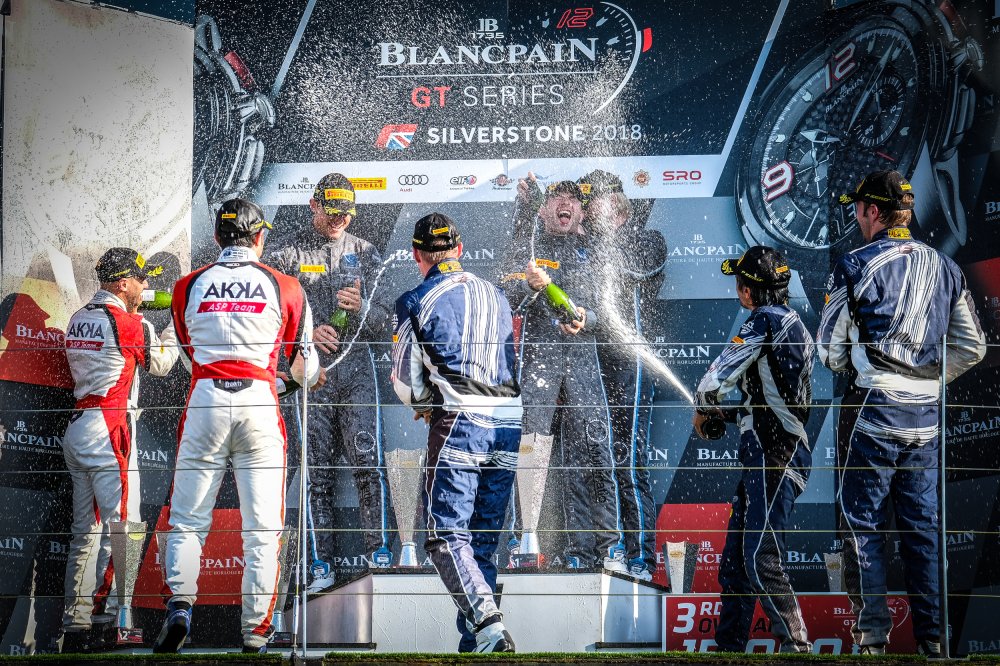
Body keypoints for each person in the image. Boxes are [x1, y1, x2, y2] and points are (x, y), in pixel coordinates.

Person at [817, 170, 986, 656]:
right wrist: (928, 380)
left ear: (873, 211)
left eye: (858, 208)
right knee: (922, 529)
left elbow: (828, 348)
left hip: (876, 407)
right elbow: (973, 347)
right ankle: (933, 640)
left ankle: (873, 636)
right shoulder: (946, 266)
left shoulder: (853, 264)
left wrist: (862, 368)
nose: (856, 216)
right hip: (926, 416)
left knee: (863, 521)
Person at [155, 199, 323, 654]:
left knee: (187, 520)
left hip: (205, 400)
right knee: (263, 529)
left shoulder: (186, 286)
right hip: (260, 403)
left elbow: (187, 355)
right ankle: (255, 630)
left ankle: (180, 608)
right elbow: (306, 367)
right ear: (260, 237)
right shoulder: (286, 286)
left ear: (216, 237)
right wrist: (285, 382)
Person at [391, 213, 522, 653]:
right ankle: (476, 643)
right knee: (482, 539)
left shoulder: (415, 298)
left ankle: (488, 625)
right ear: (460, 250)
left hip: (461, 421)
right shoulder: (497, 294)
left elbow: (405, 383)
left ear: (416, 254)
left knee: (446, 535)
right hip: (508, 421)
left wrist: (425, 405)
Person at [268, 172, 392, 589]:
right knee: (315, 472)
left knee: (368, 465)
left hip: (357, 372)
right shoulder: (286, 255)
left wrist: (362, 308)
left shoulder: (366, 252)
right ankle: (320, 566)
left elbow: (385, 322)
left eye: (346, 212)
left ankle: (380, 556)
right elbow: (270, 321)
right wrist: (306, 335)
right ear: (313, 205)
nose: (340, 219)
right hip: (311, 374)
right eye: (332, 210)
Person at [693, 245, 814, 654]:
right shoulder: (793, 322)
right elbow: (771, 400)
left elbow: (713, 380)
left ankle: (796, 646)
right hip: (774, 452)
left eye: (738, 283)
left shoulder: (763, 320)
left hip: (774, 456)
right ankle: (729, 649)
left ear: (748, 291)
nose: (737, 290)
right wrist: (725, 416)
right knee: (735, 564)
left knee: (761, 559)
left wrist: (703, 408)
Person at [60, 248, 179, 653]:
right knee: (124, 529)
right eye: (142, 280)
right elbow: (162, 364)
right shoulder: (130, 323)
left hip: (78, 426)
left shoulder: (78, 317)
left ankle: (75, 626)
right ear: (124, 283)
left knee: (85, 533)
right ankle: (113, 620)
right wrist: (174, 325)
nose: (147, 286)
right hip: (110, 431)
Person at [502, 179, 624, 569]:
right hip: (539, 362)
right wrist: (530, 286)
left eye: (572, 199)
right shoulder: (528, 246)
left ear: (582, 212)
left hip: (583, 364)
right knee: (530, 450)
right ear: (543, 209)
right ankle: (524, 544)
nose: (565, 203)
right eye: (557, 197)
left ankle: (604, 549)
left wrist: (588, 318)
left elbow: (612, 313)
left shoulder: (597, 249)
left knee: (593, 449)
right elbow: (507, 300)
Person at [578, 169, 667, 581]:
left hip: (631, 366)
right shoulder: (586, 246)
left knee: (628, 463)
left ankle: (642, 558)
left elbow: (634, 269)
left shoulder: (648, 240)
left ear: (615, 203)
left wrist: (599, 239)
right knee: (598, 461)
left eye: (591, 200)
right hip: (591, 367)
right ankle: (609, 548)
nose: (585, 208)